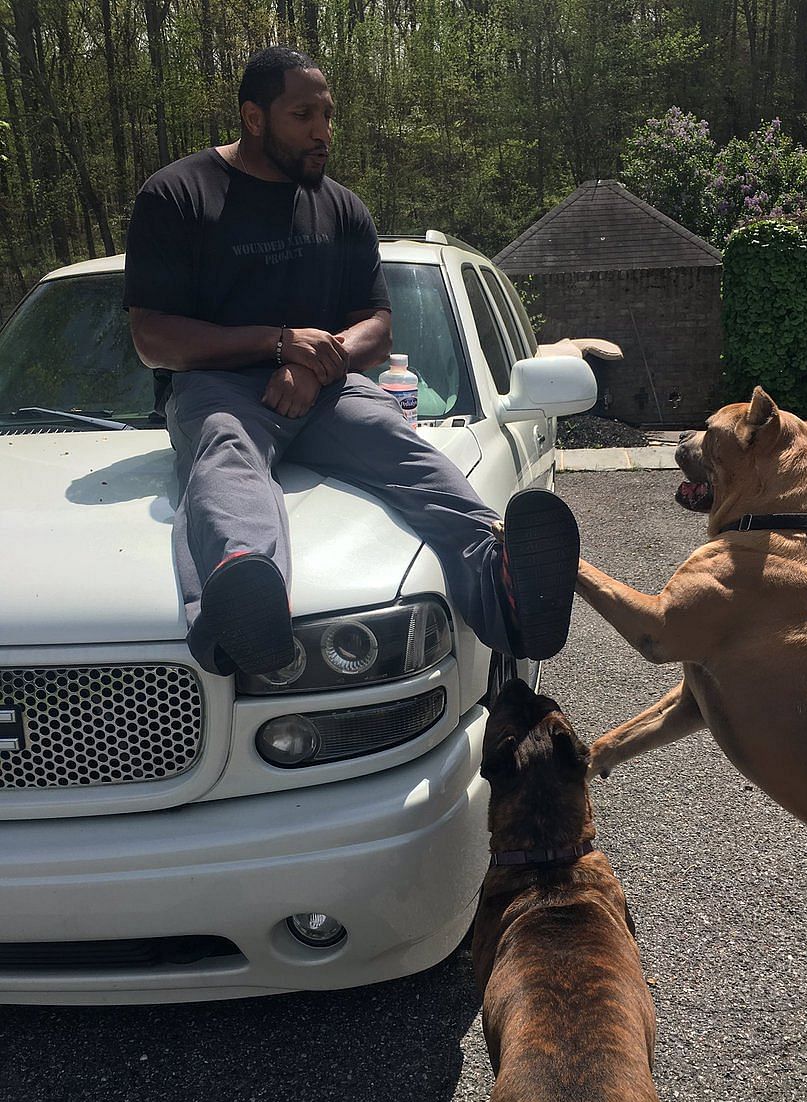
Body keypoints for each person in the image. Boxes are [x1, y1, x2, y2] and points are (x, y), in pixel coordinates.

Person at [124, 46, 579, 679]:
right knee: (226, 453)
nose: (322, 132)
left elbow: (378, 327)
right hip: (220, 389)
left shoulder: (341, 208)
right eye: (302, 115)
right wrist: (279, 344)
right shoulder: (178, 196)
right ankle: (244, 601)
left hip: (330, 387)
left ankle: (500, 581)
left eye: (328, 115)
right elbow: (154, 338)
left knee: (406, 449)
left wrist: (312, 363)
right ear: (253, 118)